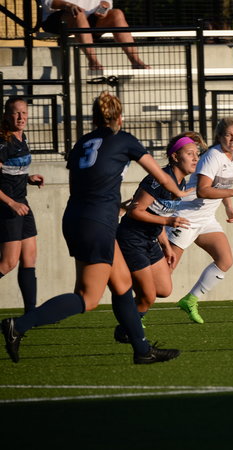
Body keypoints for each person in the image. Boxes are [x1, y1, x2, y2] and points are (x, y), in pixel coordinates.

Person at [1, 91, 188, 364]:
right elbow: (162, 176)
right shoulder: (124, 139)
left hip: (77, 218)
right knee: (87, 298)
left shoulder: (82, 142)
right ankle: (18, 326)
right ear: (119, 118)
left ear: (95, 118)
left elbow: (81, 182)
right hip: (98, 223)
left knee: (122, 284)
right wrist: (181, 193)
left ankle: (142, 349)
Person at [113, 132, 203, 343]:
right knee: (148, 296)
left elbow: (158, 214)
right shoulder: (158, 179)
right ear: (175, 157)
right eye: (190, 153)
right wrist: (168, 222)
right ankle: (126, 328)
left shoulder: (180, 183)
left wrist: (167, 246)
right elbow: (135, 212)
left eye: (197, 154)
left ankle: (128, 308)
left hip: (150, 240)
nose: (195, 158)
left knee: (164, 289)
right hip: (132, 239)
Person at [167, 118, 233, 324]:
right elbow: (203, 190)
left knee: (225, 260)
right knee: (165, 272)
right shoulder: (213, 156)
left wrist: (229, 206)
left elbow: (222, 185)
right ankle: (136, 313)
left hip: (206, 219)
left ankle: (190, 300)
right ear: (220, 137)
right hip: (187, 217)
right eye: (229, 135)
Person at [0, 97, 45, 314]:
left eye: (24, 113)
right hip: (8, 206)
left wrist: (29, 178)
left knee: (29, 257)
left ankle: (30, 314)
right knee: (8, 263)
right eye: (16, 113)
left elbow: (11, 171)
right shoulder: (3, 142)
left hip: (22, 203)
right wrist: (11, 203)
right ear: (7, 116)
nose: (21, 117)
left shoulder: (22, 137)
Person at [40, 0, 149, 70]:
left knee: (117, 13)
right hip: (58, 17)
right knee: (78, 13)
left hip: (90, 18)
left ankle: (135, 61)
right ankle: (93, 61)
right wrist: (68, 5)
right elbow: (48, 2)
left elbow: (107, 2)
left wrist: (103, 7)